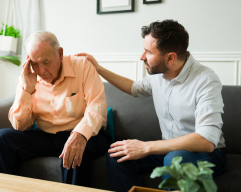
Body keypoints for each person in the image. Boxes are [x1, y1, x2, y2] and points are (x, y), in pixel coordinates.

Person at [75, 20, 227, 192]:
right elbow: (134, 88)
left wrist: (146, 147)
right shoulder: (159, 75)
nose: (142, 56)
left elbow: (206, 140)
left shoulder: (206, 80)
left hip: (209, 155)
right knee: (116, 155)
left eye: (148, 51)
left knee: (175, 159)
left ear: (170, 57)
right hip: (169, 150)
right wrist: (98, 68)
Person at [0, 31, 111, 187]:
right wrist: (27, 90)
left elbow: (97, 106)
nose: (41, 70)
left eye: (46, 62)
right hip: (46, 136)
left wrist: (80, 134)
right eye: (35, 63)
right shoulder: (28, 77)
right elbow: (19, 125)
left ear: (60, 53)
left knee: (77, 152)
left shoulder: (83, 66)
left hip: (86, 135)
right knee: (0, 138)